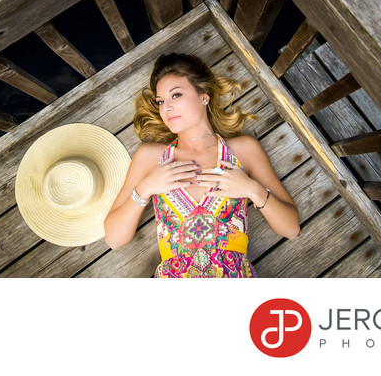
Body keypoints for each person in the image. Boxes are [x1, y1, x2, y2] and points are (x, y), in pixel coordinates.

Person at [104, 52, 299, 277]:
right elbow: (114, 239)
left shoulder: (243, 150)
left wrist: (252, 189)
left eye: (176, 95)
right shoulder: (151, 156)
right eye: (160, 101)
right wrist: (145, 188)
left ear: (204, 96)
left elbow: (291, 229)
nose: (166, 108)